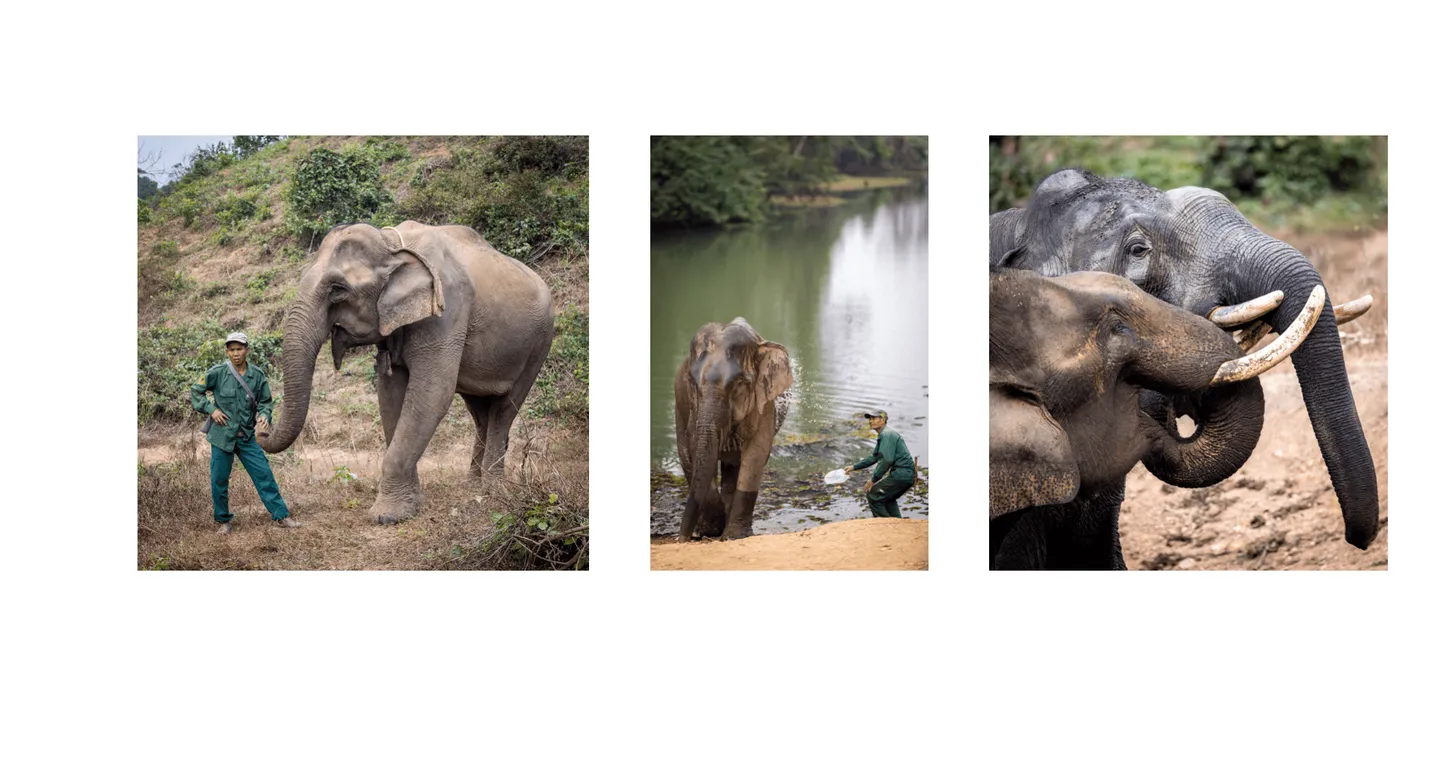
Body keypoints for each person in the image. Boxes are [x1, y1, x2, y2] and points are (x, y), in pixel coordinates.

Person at [190, 331, 301, 534]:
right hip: (222, 436)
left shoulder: (257, 375)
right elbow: (195, 390)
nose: (236, 353)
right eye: (232, 350)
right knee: (218, 480)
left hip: (246, 436)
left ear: (247, 350)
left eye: (239, 349)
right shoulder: (217, 372)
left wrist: (264, 415)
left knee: (264, 475)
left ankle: (281, 516)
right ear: (227, 352)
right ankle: (224, 521)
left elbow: (266, 401)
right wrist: (211, 410)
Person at [844, 411, 916, 519]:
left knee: (873, 494)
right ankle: (898, 525)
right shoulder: (884, 434)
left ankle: (886, 527)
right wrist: (854, 467)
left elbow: (887, 460)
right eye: (869, 419)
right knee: (887, 498)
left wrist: (873, 480)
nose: (870, 421)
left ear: (882, 420)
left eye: (873, 418)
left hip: (902, 474)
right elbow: (874, 457)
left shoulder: (887, 434)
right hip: (905, 474)